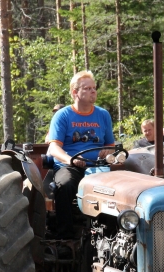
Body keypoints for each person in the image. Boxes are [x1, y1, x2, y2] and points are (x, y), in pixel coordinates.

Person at [47, 70, 115, 240]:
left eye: (94, 88)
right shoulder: (62, 116)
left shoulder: (103, 115)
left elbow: (111, 146)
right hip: (69, 166)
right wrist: (71, 159)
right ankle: (66, 238)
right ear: (75, 92)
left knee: (117, 188)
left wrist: (108, 151)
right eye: (87, 88)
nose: (93, 91)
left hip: (99, 166)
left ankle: (111, 235)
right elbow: (54, 148)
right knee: (65, 185)